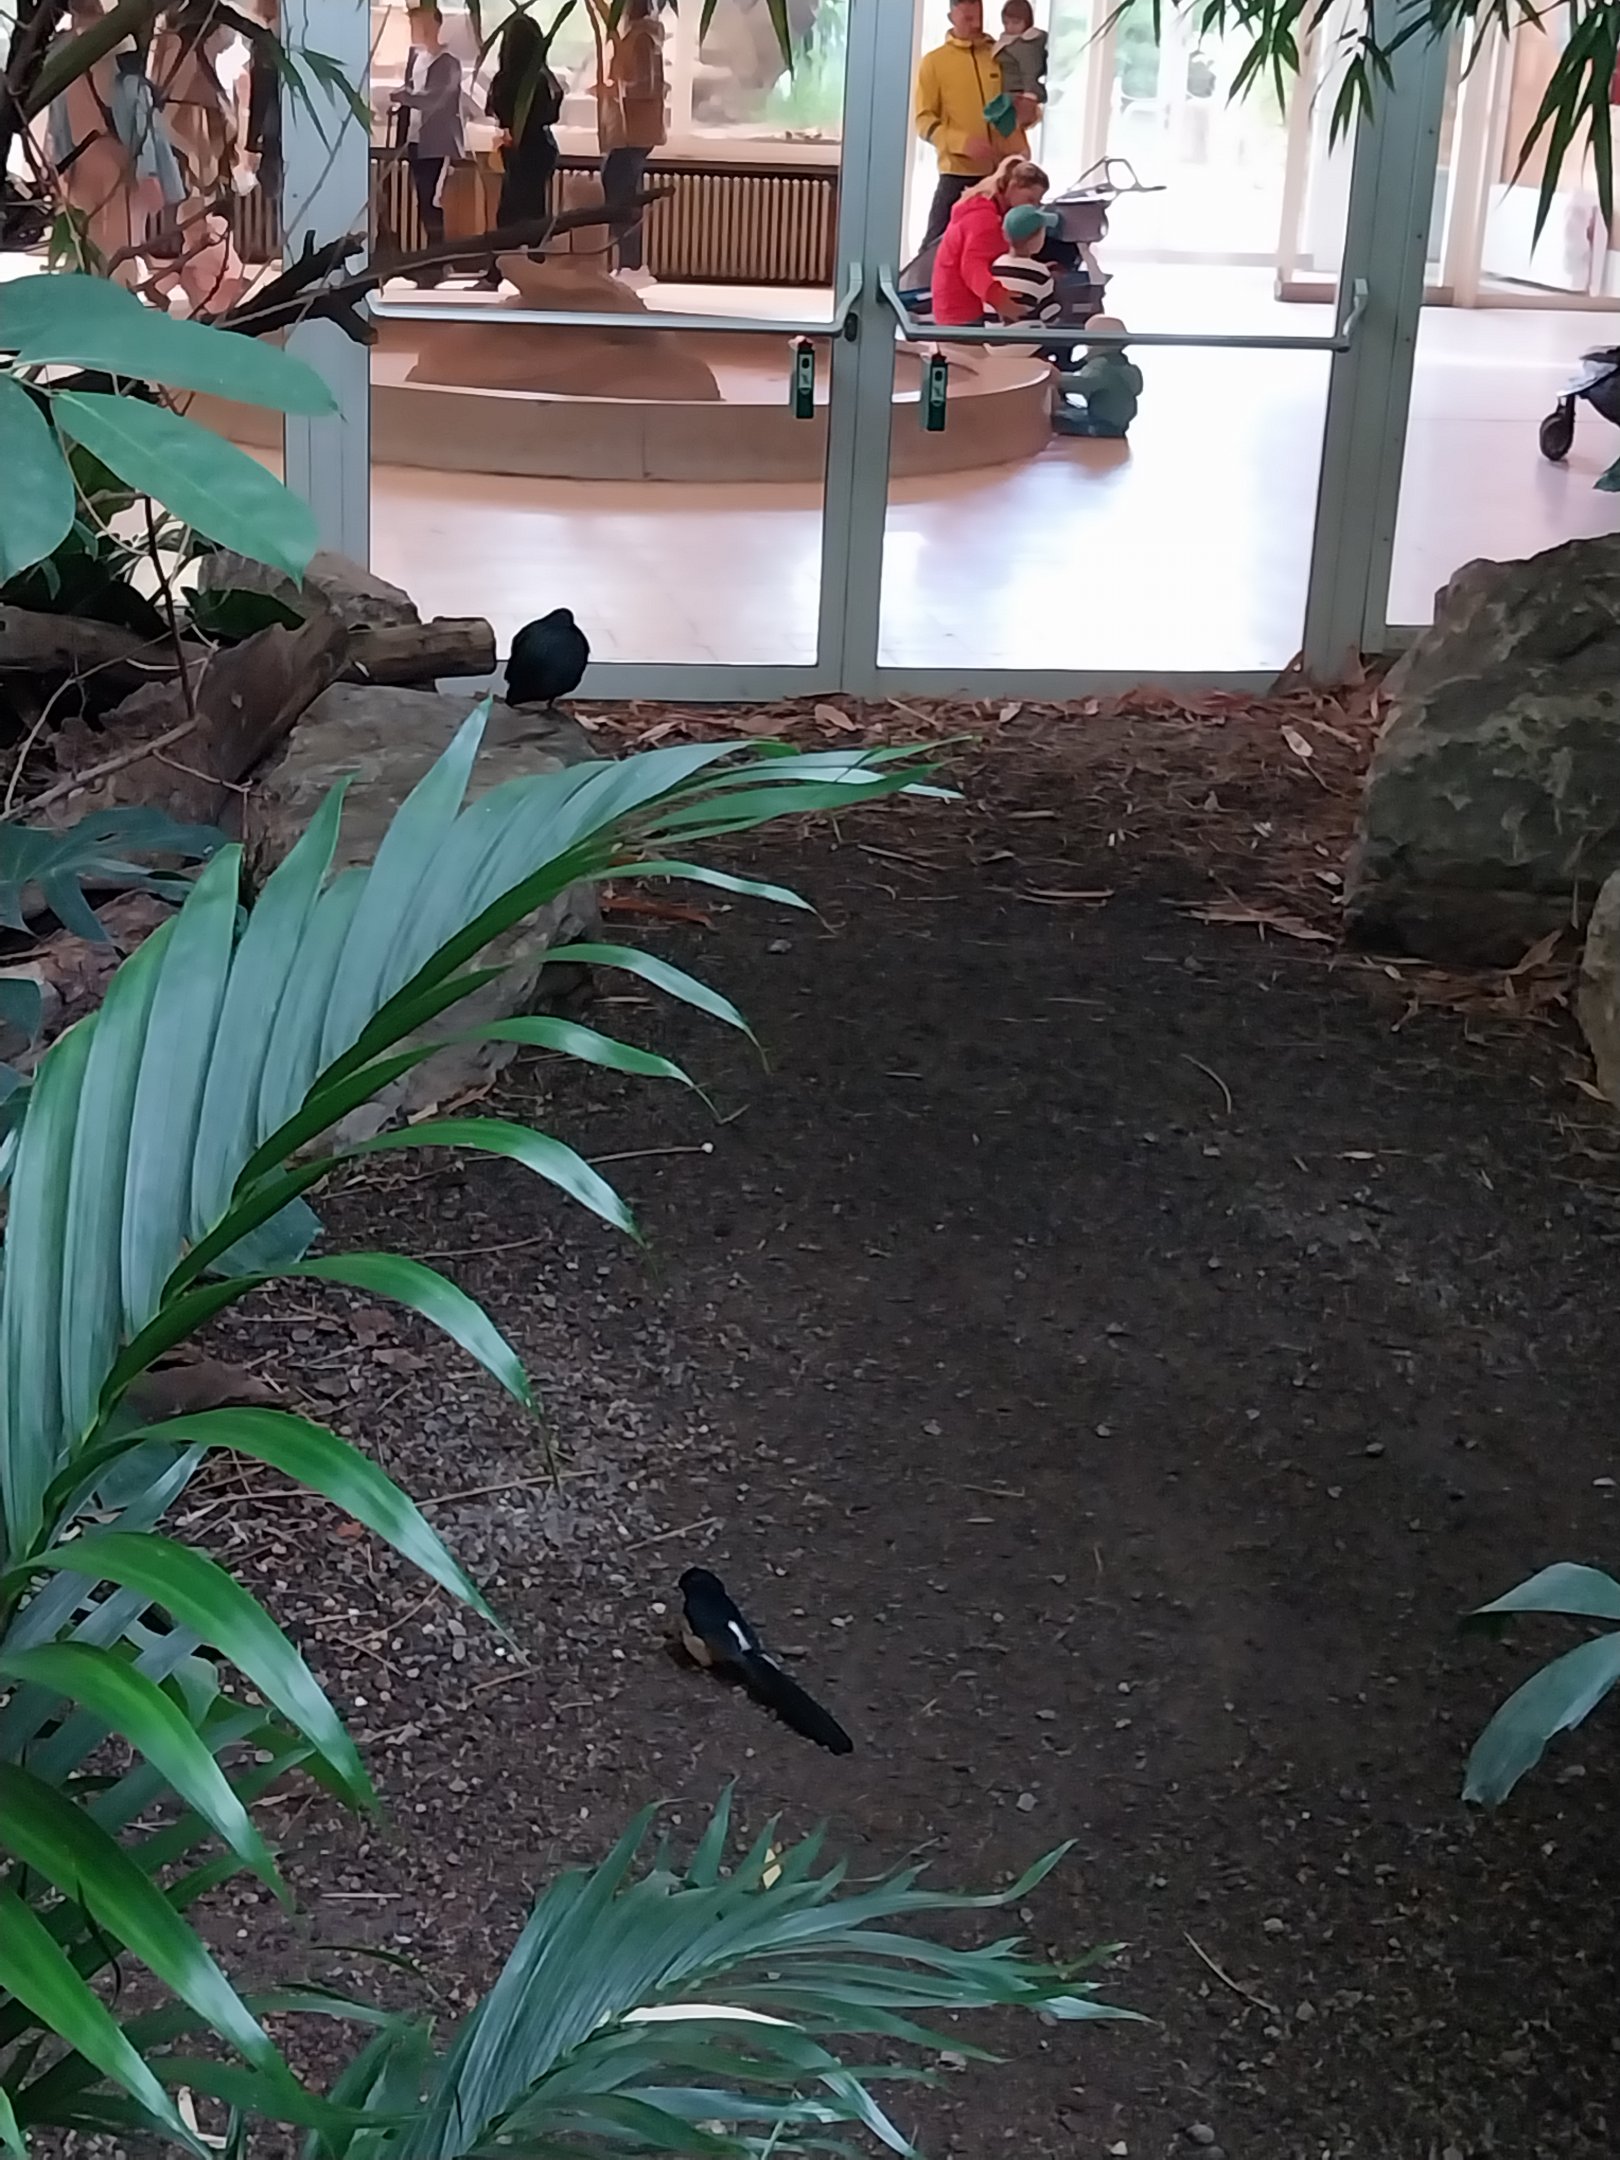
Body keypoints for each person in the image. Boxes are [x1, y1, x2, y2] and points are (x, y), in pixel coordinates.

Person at [914, 0, 1029, 255]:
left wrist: (1029, 113)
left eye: (979, 17)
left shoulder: (1003, 56)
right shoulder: (934, 63)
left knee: (1010, 248)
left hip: (1007, 175)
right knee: (934, 250)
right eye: (968, 18)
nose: (976, 24)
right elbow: (923, 121)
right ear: (951, 15)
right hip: (958, 175)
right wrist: (961, 143)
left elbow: (1025, 110)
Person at [391, 1, 465, 286]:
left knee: (433, 203)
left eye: (420, 23)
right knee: (423, 203)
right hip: (417, 143)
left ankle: (439, 263)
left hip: (438, 145)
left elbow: (434, 99)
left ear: (435, 24)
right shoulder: (416, 60)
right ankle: (431, 262)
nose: (416, 30)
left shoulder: (448, 63)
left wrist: (405, 97)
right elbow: (413, 95)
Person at [929, 153, 1048, 327]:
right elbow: (972, 265)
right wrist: (997, 298)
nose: (1033, 207)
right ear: (1013, 187)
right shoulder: (985, 219)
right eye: (1030, 199)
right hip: (963, 314)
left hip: (951, 308)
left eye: (1038, 202)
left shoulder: (981, 208)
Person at [599, 0, 665, 283]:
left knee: (621, 191)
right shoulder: (640, 36)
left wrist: (614, 89)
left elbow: (646, 85)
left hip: (635, 130)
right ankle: (629, 263)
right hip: (633, 130)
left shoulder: (641, 39)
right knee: (621, 187)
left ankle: (632, 264)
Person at [487, 12, 561, 235]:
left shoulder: (502, 80)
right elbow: (550, 116)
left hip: (514, 148)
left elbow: (495, 111)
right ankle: (532, 260)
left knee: (510, 208)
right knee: (533, 208)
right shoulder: (538, 80)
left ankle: (505, 262)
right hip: (539, 147)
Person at [1053, 315, 1143, 438]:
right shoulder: (1120, 363)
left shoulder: (1102, 365)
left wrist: (1055, 378)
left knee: (1053, 419)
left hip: (1101, 425)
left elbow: (1084, 384)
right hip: (1117, 423)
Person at [990, 201, 1061, 327]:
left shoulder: (997, 264)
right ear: (1035, 241)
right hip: (1025, 342)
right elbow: (1049, 314)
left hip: (993, 342)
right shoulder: (1041, 273)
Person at [994, 0, 1048, 120]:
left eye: (1015, 22)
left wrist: (1028, 99)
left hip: (1017, 98)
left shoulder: (1026, 45)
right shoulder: (1011, 41)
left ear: (1027, 22)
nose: (1010, 27)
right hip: (1006, 95)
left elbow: (1030, 71)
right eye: (1006, 22)